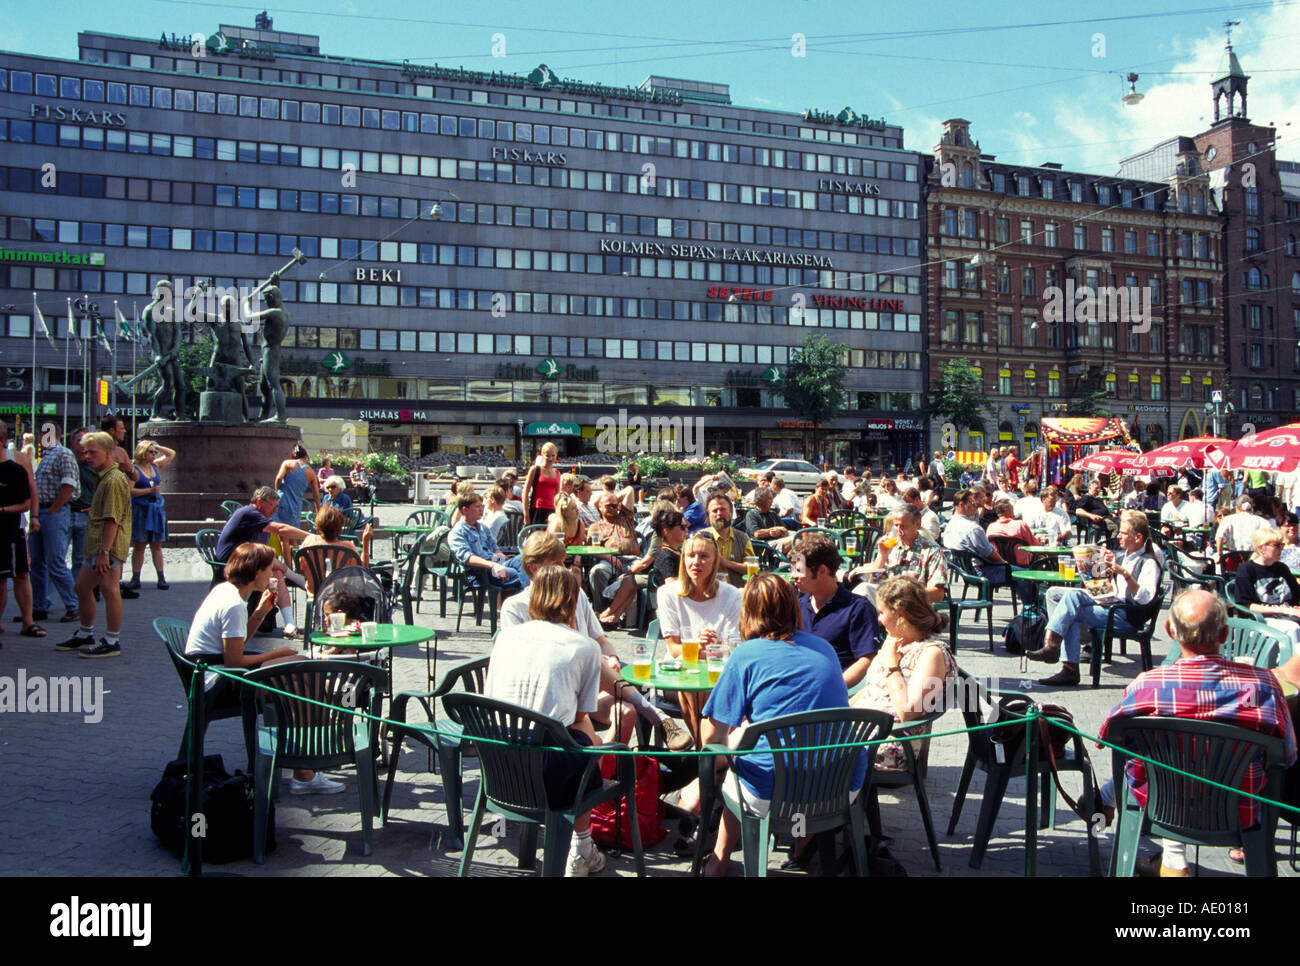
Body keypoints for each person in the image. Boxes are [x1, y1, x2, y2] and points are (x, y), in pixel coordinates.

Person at [1099, 589, 1296, 876]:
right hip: (1241, 810)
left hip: (1161, 805)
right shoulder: (1264, 687)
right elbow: (1287, 757)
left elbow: (1110, 740)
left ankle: (1167, 858)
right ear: (1225, 634)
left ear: (1169, 630)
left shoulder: (1146, 686)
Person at [699, 572, 865, 876]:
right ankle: (803, 846)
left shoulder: (746, 654)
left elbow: (712, 735)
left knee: (736, 767)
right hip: (841, 784)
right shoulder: (825, 648)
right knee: (792, 750)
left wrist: (721, 763)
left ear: (747, 612)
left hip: (774, 791)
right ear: (793, 607)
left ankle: (718, 860)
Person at [502, 533, 689, 751]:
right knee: (592, 661)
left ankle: (612, 765)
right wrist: (589, 659)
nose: (565, 568)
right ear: (535, 568)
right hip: (548, 696)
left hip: (582, 685)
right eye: (557, 564)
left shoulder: (575, 595)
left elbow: (600, 640)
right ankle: (657, 718)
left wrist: (611, 657)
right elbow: (533, 665)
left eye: (566, 562)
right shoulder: (515, 609)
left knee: (628, 701)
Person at [485, 564, 610, 876]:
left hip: (498, 764)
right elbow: (581, 716)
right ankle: (581, 845)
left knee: (578, 737)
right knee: (585, 736)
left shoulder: (505, 637)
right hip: (547, 773)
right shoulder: (584, 647)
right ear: (573, 602)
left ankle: (581, 847)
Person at [1027, 510, 1162, 686]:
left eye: (1123, 533)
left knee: (1071, 607)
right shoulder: (1126, 555)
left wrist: (1126, 575)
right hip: (1113, 602)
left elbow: (1145, 599)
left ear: (1137, 538)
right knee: (1055, 594)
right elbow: (1117, 587)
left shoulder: (1148, 562)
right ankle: (1057, 649)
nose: (1118, 536)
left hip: (1126, 615)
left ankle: (1060, 655)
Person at [850, 576, 957, 770]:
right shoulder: (895, 642)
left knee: (808, 753)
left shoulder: (931, 653)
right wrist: (839, 708)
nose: (879, 620)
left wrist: (892, 667)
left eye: (882, 612)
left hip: (890, 743)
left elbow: (908, 712)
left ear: (900, 615)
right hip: (864, 731)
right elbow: (871, 690)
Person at [657, 531, 742, 740]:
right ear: (683, 559)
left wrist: (709, 648)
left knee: (707, 685)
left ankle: (705, 752)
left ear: (714, 563)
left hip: (720, 671)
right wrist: (699, 647)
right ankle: (704, 750)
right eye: (691, 555)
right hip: (679, 672)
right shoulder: (667, 593)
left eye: (704, 557)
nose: (696, 562)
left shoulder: (731, 594)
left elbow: (734, 647)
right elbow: (674, 649)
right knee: (693, 684)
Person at [54, 431, 131, 657]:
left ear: (108, 453)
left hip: (107, 546)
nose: (86, 456)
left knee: (109, 588)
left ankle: (112, 640)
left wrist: (104, 552)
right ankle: (85, 633)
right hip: (98, 544)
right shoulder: (105, 476)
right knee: (81, 587)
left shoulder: (113, 479)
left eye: (92, 452)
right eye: (85, 451)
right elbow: (108, 512)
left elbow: (113, 519)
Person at [216, 486, 310, 638]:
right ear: (259, 502)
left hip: (248, 560)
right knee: (274, 569)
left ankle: (290, 623)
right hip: (230, 562)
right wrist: (310, 536)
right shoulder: (250, 513)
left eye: (277, 507)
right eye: (273, 506)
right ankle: (298, 581)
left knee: (276, 573)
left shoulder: (260, 517)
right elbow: (279, 529)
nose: (275, 510)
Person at [792, 534, 878, 687]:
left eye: (798, 570)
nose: (793, 576)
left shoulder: (857, 609)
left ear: (822, 571)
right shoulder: (797, 607)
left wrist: (835, 687)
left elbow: (867, 659)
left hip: (837, 693)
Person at [27, 424, 79, 624]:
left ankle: (73, 605)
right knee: (38, 562)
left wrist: (55, 508)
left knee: (55, 561)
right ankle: (39, 605)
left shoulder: (63, 454)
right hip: (41, 512)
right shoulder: (46, 456)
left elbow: (69, 485)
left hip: (53, 512)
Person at [850, 505, 947, 604]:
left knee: (863, 593)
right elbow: (873, 580)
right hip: (886, 602)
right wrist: (882, 556)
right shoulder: (892, 546)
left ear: (917, 524)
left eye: (903, 526)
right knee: (861, 591)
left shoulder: (931, 550)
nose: (899, 531)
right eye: (896, 526)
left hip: (912, 605)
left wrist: (904, 594)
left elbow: (938, 594)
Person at [0, 422, 44, 638]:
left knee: (21, 573)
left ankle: (28, 621)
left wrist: (34, 516)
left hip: (15, 525)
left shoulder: (18, 458)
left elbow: (31, 490)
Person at [1232, 527, 1300, 649]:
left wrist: (1294, 607)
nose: (1281, 549)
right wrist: (1284, 610)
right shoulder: (1247, 570)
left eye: (1282, 545)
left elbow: (1296, 594)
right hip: (1261, 620)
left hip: (1286, 615)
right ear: (1262, 548)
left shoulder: (1282, 568)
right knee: (1293, 628)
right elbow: (1247, 606)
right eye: (1277, 545)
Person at [449, 491, 522, 602]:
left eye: (482, 506)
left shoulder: (482, 527)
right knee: (518, 576)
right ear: (465, 510)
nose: (481, 509)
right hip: (479, 572)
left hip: (495, 564)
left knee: (524, 561)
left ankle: (524, 606)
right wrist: (493, 565)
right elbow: (468, 558)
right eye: (477, 507)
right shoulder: (457, 532)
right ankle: (528, 608)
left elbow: (494, 547)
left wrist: (502, 556)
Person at [124, 440, 175, 592]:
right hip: (141, 510)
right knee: (140, 544)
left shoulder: (155, 465)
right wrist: (148, 491)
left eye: (154, 452)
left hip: (156, 510)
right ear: (142, 452)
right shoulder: (134, 469)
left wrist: (156, 444)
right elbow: (129, 490)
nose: (154, 454)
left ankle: (161, 578)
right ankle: (135, 578)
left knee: (157, 545)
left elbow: (171, 453)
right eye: (150, 452)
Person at [942, 488, 1015, 587]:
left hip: (963, 570)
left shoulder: (950, 524)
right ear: (961, 505)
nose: (975, 505)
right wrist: (1005, 563)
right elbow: (989, 553)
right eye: (972, 502)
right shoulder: (973, 528)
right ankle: (1030, 602)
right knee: (1024, 575)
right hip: (980, 572)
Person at [586, 493, 641, 603]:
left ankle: (618, 594)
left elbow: (629, 490)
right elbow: (593, 549)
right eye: (608, 506)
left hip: (633, 560)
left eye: (614, 506)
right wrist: (609, 557)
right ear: (600, 507)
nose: (612, 508)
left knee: (641, 571)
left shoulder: (626, 518)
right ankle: (601, 610)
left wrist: (614, 498)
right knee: (596, 571)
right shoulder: (595, 527)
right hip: (610, 561)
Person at [299, 504, 373, 579]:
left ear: (318, 525)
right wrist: (365, 542)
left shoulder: (309, 542)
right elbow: (363, 571)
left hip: (314, 590)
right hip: (340, 590)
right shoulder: (347, 548)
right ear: (340, 527)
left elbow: (302, 569)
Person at [707, 491, 754, 588]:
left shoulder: (742, 538)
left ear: (731, 512)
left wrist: (727, 563)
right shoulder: (701, 538)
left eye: (723, 509)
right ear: (708, 514)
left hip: (736, 592)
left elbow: (751, 568)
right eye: (715, 511)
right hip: (708, 592)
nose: (719, 514)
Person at [272, 444, 320, 533]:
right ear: (305, 456)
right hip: (295, 506)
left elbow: (279, 478)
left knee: (278, 532)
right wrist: (318, 512)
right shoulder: (311, 473)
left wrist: (276, 490)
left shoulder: (287, 463)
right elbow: (316, 495)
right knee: (291, 535)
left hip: (281, 501)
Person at [1216, 496, 1269, 564]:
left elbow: (1219, 537)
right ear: (1251, 507)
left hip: (1234, 558)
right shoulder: (1262, 521)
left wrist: (1219, 555)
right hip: (1255, 560)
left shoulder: (1228, 519)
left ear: (1237, 508)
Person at [986, 499, 1038, 566]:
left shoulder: (991, 527)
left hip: (999, 565)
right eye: (1012, 509)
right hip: (1022, 566)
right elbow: (1034, 545)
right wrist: (1038, 538)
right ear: (1006, 510)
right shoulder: (1020, 525)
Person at [521, 441, 561, 526]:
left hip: (552, 511)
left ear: (556, 455)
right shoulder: (535, 469)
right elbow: (525, 492)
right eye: (547, 456)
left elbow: (558, 496)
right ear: (542, 455)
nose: (550, 458)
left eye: (553, 456)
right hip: (537, 509)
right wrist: (526, 514)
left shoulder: (557, 473)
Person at [742, 487, 792, 553]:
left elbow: (784, 530)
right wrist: (770, 531)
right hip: (765, 546)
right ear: (760, 500)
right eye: (770, 498)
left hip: (778, 542)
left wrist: (779, 533)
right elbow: (756, 534)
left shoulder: (773, 514)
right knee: (795, 540)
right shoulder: (751, 514)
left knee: (801, 537)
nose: (772, 501)